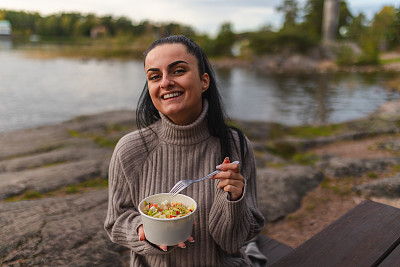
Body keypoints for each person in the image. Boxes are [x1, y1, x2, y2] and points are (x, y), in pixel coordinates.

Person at [104, 35, 265, 266]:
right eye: (155, 76)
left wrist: (235, 198)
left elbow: (232, 242)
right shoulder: (129, 150)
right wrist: (144, 230)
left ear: (204, 81)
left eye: (178, 71)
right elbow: (116, 221)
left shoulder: (235, 145)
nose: (165, 82)